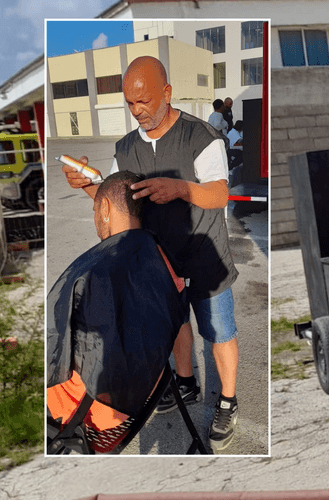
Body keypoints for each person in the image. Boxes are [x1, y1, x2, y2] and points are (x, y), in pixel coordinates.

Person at [61, 56, 241, 452]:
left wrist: (180, 189)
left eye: (144, 101)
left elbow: (219, 192)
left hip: (205, 256)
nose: (137, 111)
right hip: (159, 261)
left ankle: (227, 400)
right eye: (130, 103)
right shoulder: (125, 148)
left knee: (220, 332)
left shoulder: (201, 137)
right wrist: (85, 185)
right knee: (174, 324)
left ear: (167, 93)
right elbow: (117, 199)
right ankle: (186, 382)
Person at [47, 171, 187, 437]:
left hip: (96, 415)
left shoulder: (93, 275)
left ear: (106, 207)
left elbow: (56, 349)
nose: (95, 220)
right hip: (150, 388)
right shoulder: (161, 255)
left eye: (95, 210)